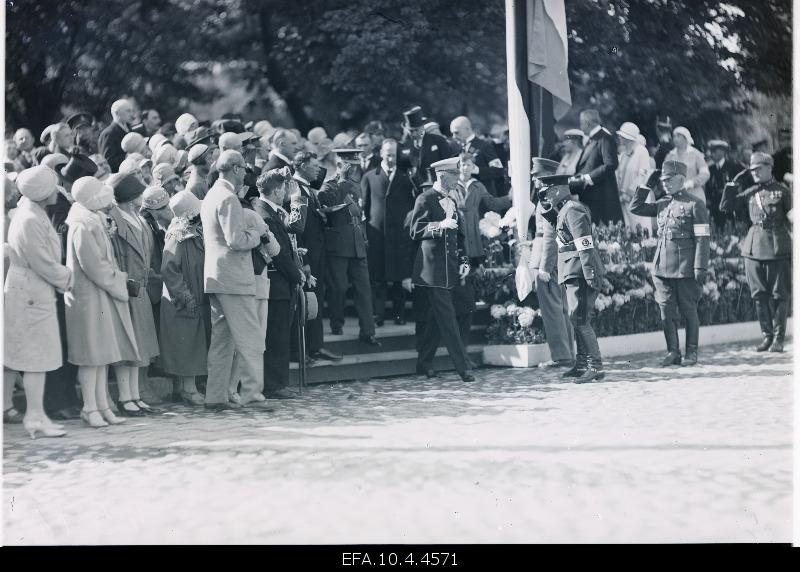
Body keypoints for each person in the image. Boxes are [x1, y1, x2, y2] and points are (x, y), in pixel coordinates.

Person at [4, 166, 74, 438]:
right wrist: (68, 277)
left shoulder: (33, 214)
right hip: (32, 292)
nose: (57, 191)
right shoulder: (30, 218)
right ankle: (34, 416)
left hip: (35, 290)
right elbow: (42, 262)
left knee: (40, 356)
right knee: (35, 356)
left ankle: (37, 415)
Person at [65, 176, 140, 428]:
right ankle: (90, 406)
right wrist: (119, 282)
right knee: (91, 356)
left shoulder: (91, 219)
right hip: (88, 297)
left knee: (101, 355)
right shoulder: (83, 225)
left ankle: (101, 405)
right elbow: (94, 265)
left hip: (98, 295)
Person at [200, 150, 272, 409]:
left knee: (222, 340)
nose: (245, 173)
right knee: (250, 339)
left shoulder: (211, 195)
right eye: (243, 168)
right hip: (234, 277)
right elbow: (236, 240)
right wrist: (256, 231)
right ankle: (253, 396)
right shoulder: (228, 198)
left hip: (216, 276)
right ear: (235, 169)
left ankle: (215, 396)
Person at [630, 161, 711, 366]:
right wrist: (646, 186)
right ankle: (673, 352)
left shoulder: (695, 204)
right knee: (666, 311)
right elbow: (635, 207)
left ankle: (691, 352)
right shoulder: (662, 203)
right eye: (663, 180)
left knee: (688, 310)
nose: (664, 184)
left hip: (685, 267)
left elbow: (702, 239)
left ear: (681, 180)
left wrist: (700, 267)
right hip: (662, 266)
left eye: (669, 180)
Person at [409, 157, 476, 382]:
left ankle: (424, 362)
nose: (459, 178)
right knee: (447, 318)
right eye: (455, 175)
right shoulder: (425, 199)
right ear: (441, 175)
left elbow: (459, 237)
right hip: (432, 271)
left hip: (450, 268)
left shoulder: (452, 201)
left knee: (440, 319)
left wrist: (465, 261)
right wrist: (438, 226)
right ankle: (463, 366)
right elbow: (414, 230)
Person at [537, 174, 606, 383]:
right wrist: (545, 206)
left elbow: (584, 244)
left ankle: (595, 366)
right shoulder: (565, 210)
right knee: (577, 319)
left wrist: (590, 273)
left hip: (580, 272)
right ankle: (582, 363)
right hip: (572, 271)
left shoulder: (573, 210)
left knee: (581, 320)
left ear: (557, 190)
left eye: (547, 192)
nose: (545, 196)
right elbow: (560, 231)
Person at [720, 152, 792, 353]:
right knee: (759, 295)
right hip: (753, 247)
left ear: (770, 167)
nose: (756, 173)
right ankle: (766, 337)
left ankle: (778, 339)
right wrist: (732, 184)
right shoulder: (750, 192)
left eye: (759, 168)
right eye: (753, 170)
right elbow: (725, 206)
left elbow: (793, 216)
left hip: (777, 247)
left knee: (780, 295)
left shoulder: (782, 191)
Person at [106, 173, 162, 416]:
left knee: (139, 347)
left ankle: (134, 395)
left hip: (140, 289)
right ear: (130, 197)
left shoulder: (137, 218)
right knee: (127, 347)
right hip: (126, 288)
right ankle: (125, 397)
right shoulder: (114, 219)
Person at [251, 167, 308, 397]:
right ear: (276, 191)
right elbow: (280, 254)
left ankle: (275, 382)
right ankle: (275, 385)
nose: (287, 191)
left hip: (279, 283)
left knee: (278, 334)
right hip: (277, 284)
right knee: (276, 336)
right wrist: (297, 274)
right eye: (284, 187)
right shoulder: (266, 215)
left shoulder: (269, 210)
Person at [319, 148, 380, 346]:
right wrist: (342, 179)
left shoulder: (355, 185)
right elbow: (331, 203)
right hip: (338, 244)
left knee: (364, 288)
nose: (354, 169)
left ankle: (368, 331)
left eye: (355, 165)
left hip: (357, 243)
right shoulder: (328, 185)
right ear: (339, 165)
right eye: (349, 165)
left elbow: (359, 215)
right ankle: (337, 323)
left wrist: (363, 237)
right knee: (338, 288)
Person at [289, 152, 341, 362]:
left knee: (316, 299)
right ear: (301, 166)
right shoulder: (294, 188)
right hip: (307, 254)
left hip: (318, 251)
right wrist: (304, 261)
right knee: (305, 302)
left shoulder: (308, 189)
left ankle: (315, 346)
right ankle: (302, 350)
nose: (318, 170)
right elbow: (295, 228)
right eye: (313, 166)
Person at [159, 190, 210, 405]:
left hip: (196, 293)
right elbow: (169, 268)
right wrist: (184, 296)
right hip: (183, 298)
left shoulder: (194, 233)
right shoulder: (178, 236)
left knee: (193, 342)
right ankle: (187, 389)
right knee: (188, 343)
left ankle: (187, 387)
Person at [362, 138, 416, 326]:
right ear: (381, 154)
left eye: (393, 154)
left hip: (399, 236)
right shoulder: (369, 176)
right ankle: (379, 315)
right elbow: (365, 206)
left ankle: (399, 315)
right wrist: (365, 232)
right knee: (378, 277)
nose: (390, 158)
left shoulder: (405, 176)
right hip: (377, 234)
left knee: (399, 277)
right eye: (387, 154)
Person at [527, 158, 575, 369]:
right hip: (555, 255)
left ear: (545, 175)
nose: (533, 178)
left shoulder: (546, 197)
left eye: (536, 175)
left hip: (548, 257)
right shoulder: (555, 195)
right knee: (561, 307)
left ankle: (561, 356)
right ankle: (567, 353)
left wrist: (545, 266)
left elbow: (548, 234)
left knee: (552, 309)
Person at [453, 152, 511, 264]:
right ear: (458, 166)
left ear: (473, 167)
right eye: (462, 165)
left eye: (468, 165)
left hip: (473, 226)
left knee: (473, 261)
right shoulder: (452, 185)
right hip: (458, 225)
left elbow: (492, 203)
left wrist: (509, 198)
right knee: (459, 257)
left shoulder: (478, 185)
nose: (465, 168)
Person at [568, 109, 624, 224]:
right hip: (591, 198)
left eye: (581, 123)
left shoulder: (604, 138)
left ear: (587, 123)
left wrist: (587, 178)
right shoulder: (592, 140)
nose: (580, 126)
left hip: (602, 199)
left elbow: (611, 164)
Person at [398, 106, 456, 191]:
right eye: (411, 131)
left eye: (416, 130)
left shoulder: (438, 141)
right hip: (415, 194)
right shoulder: (405, 146)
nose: (413, 134)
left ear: (422, 127)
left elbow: (449, 166)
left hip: (439, 190)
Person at [450, 116, 506, 197]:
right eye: (452, 133)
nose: (454, 137)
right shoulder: (457, 148)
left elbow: (499, 170)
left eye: (456, 132)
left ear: (467, 129)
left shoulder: (484, 146)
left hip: (484, 197)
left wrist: (478, 170)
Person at [615, 122, 654, 231]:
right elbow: (619, 175)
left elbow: (643, 176)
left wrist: (629, 193)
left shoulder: (642, 151)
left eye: (621, 135)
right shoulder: (623, 154)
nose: (619, 137)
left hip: (637, 198)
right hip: (623, 199)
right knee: (628, 230)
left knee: (640, 229)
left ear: (627, 137)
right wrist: (620, 194)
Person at [664, 126, 710, 203]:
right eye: (674, 136)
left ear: (685, 138)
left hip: (694, 194)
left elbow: (705, 173)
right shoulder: (670, 156)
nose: (675, 138)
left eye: (678, 136)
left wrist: (691, 183)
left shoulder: (696, 154)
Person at [705, 140, 744, 229]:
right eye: (711, 151)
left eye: (713, 151)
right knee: (718, 227)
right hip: (715, 204)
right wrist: (708, 199)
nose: (711, 154)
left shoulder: (734, 166)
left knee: (731, 227)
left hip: (729, 203)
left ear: (722, 152)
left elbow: (744, 177)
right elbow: (708, 186)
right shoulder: (710, 169)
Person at [98, 99, 135, 172]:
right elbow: (108, 161)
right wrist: (129, 156)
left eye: (132, 111)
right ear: (117, 113)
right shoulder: (108, 134)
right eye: (128, 111)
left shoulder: (130, 130)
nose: (131, 114)